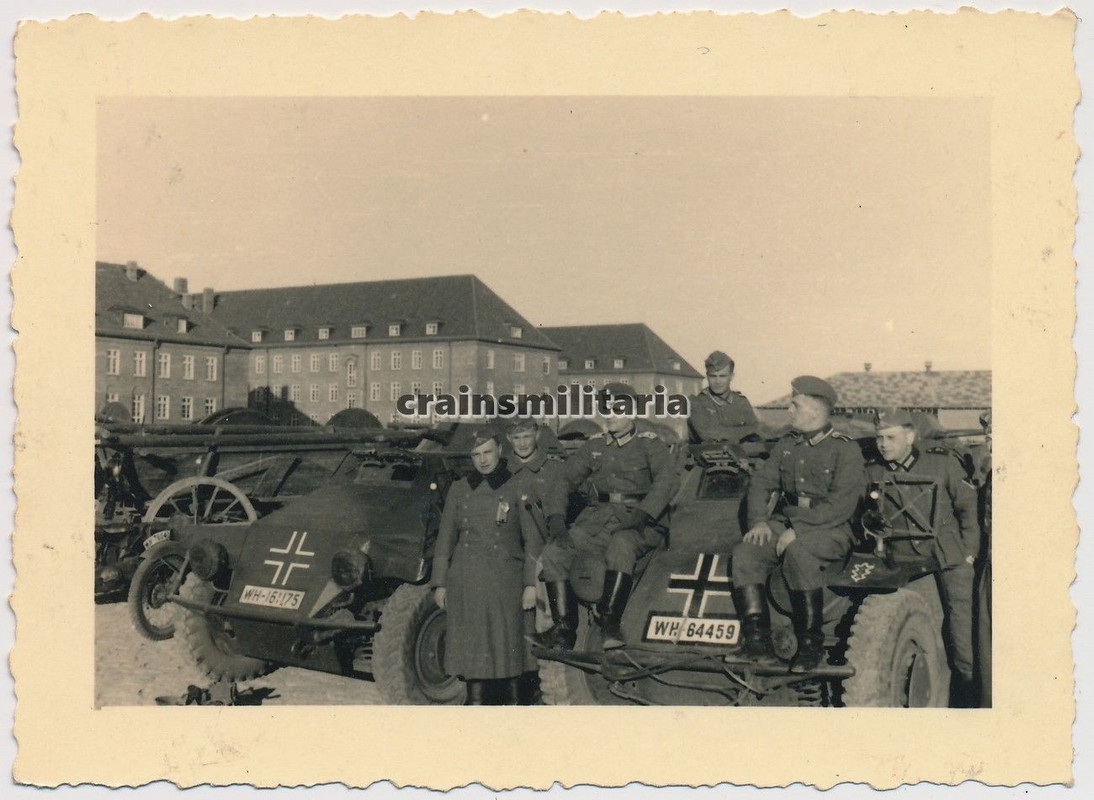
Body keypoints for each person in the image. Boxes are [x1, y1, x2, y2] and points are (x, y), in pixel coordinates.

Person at [730, 376, 865, 671]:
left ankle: (810, 645)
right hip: (788, 522)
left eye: (796, 405)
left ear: (816, 410)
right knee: (746, 553)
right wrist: (759, 522)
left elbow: (840, 506)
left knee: (799, 553)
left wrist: (799, 531)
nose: (790, 410)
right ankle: (757, 644)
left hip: (832, 528)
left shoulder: (845, 449)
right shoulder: (787, 443)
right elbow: (761, 483)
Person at [535, 383, 679, 650]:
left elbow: (667, 481)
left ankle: (610, 624)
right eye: (606, 409)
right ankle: (564, 630)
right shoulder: (596, 446)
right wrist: (556, 517)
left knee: (621, 545)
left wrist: (642, 514)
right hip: (597, 521)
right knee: (555, 552)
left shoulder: (650, 444)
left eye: (617, 410)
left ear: (632, 412)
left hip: (640, 523)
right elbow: (563, 480)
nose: (610, 415)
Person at [865, 408, 982, 706]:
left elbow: (968, 509)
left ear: (910, 437)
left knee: (961, 627)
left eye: (890, 438)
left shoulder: (941, 464)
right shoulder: (875, 471)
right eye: (879, 438)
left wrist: (969, 553)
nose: (883, 444)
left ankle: (967, 695)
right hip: (906, 560)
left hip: (948, 555)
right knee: (921, 624)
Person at [431, 425, 541, 705]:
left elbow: (532, 541)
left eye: (488, 451)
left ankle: (514, 704)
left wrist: (531, 584)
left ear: (500, 451)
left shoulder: (517, 486)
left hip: (505, 581)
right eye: (476, 454)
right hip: (466, 580)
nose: (483, 459)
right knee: (474, 644)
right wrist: (440, 583)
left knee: (508, 645)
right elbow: (445, 540)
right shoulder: (459, 488)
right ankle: (476, 702)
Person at [504, 416, 568, 701]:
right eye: (516, 438)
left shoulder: (554, 470)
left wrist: (531, 576)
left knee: (540, 626)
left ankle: (538, 690)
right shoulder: (502, 471)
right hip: (509, 558)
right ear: (509, 440)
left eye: (527, 436)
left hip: (541, 558)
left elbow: (549, 528)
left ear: (537, 435)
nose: (522, 443)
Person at [688, 350, 759, 444]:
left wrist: (724, 432)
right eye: (713, 376)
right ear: (707, 376)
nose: (717, 381)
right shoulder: (696, 403)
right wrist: (746, 432)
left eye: (722, 376)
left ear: (731, 377)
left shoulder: (741, 402)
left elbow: (757, 431)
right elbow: (709, 434)